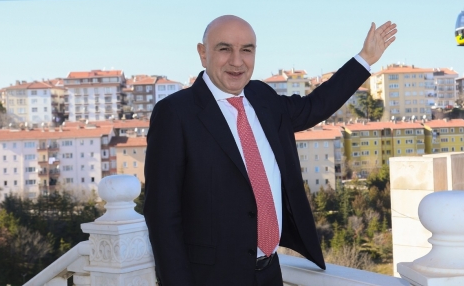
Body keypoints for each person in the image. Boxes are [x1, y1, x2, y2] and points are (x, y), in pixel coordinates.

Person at [144, 15, 397, 286]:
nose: (237, 61)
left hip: (269, 273)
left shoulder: (263, 98)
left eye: (246, 50)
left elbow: (315, 106)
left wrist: (364, 59)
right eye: (224, 48)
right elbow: (162, 216)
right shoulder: (175, 113)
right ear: (203, 53)